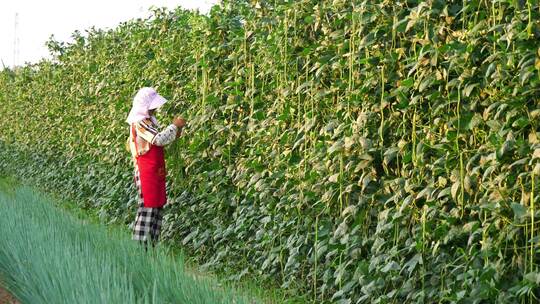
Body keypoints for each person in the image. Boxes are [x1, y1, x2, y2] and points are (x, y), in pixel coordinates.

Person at [126, 87, 186, 249]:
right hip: (146, 172)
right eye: (152, 106)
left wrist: (177, 130)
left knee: (157, 207)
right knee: (147, 208)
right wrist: (174, 126)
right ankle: (139, 249)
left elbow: (161, 140)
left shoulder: (149, 122)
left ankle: (150, 247)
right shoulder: (140, 123)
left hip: (154, 171)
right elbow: (158, 140)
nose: (155, 108)